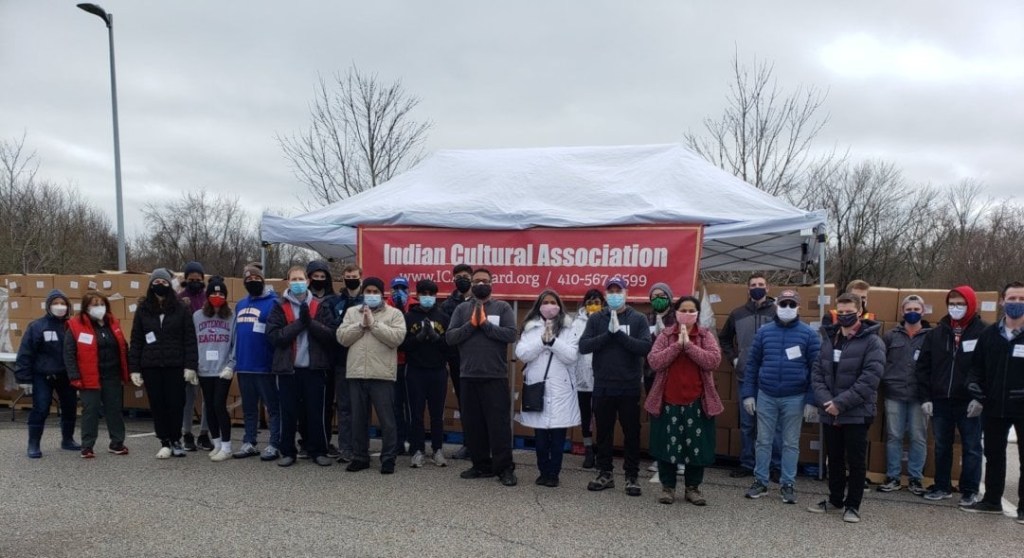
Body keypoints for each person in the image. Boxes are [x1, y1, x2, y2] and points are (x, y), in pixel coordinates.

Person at [808, 293, 884, 523]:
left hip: (856, 412)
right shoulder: (829, 339)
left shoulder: (873, 342)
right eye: (839, 312)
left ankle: (853, 505)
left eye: (848, 311)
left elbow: (870, 378)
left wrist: (841, 403)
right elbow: (817, 373)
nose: (843, 316)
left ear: (860, 311)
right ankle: (835, 499)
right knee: (835, 458)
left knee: (856, 460)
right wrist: (827, 402)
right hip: (830, 410)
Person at [741, 289, 821, 504]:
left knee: (790, 443)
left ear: (798, 308)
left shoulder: (809, 334)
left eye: (791, 304)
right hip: (766, 394)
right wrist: (749, 394)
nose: (787, 308)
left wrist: (812, 400)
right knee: (763, 441)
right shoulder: (764, 332)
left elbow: (817, 370)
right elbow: (752, 364)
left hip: (795, 396)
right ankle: (761, 481)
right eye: (783, 304)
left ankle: (788, 483)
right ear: (776, 306)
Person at [645, 295, 723, 505]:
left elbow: (714, 361)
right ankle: (667, 488)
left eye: (691, 311)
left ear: (697, 314)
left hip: (697, 402)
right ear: (676, 312)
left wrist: (689, 345)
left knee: (696, 447)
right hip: (668, 400)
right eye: (683, 310)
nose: (687, 314)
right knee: (666, 446)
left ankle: (693, 488)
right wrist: (676, 346)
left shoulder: (705, 335)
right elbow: (654, 361)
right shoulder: (666, 334)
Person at [579, 277, 653, 497]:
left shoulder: (637, 318)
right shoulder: (596, 319)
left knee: (631, 432)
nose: (614, 294)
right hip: (602, 384)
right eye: (610, 291)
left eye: (618, 290)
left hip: (629, 386)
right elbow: (584, 346)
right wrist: (607, 335)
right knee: (603, 432)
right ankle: (605, 473)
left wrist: (619, 334)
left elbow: (645, 347)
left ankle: (631, 476)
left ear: (625, 293)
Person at [446, 267, 519, 486]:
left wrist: (485, 325)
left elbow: (510, 334)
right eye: (476, 281)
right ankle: (480, 465)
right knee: (473, 424)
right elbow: (450, 337)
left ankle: (504, 468)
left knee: (498, 425)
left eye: (484, 281)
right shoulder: (461, 309)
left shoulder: (502, 307)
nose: (480, 284)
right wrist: (472, 325)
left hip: (495, 376)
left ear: (492, 282)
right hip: (468, 375)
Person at [915, 285, 985, 505]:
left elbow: (988, 369)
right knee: (942, 445)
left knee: (972, 447)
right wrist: (925, 397)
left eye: (961, 304)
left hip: (969, 401)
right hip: (941, 399)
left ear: (971, 304)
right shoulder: (937, 332)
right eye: (952, 304)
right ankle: (942, 485)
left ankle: (970, 489)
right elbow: (923, 367)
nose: (956, 308)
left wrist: (980, 398)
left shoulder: (984, 332)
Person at [962, 281, 1024, 522]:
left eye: (1021, 299)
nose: (1016, 303)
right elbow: (976, 367)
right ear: (1002, 301)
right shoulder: (989, 334)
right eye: (1012, 299)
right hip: (994, 405)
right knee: (994, 455)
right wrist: (974, 387)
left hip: (1022, 407)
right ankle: (992, 501)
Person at [266, 266, 338, 467]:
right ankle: (288, 451)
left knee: (316, 413)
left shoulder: (319, 306)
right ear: (288, 282)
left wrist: (311, 323)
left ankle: (318, 451)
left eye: (300, 278)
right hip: (288, 370)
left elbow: (331, 335)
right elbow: (275, 337)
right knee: (288, 412)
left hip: (314, 369)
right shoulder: (279, 306)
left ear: (307, 281)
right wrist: (300, 324)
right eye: (293, 279)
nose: (297, 282)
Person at [337, 277, 407, 474]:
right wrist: (361, 325)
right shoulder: (352, 312)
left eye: (375, 291)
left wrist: (373, 323)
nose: (371, 294)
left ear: (382, 293)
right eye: (368, 291)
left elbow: (396, 338)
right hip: (357, 373)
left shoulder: (394, 314)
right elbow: (341, 337)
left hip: (382, 375)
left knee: (387, 420)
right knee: (358, 419)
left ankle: (388, 458)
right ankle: (360, 456)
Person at [128, 268, 199, 459]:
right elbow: (136, 340)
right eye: (156, 282)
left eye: (164, 282)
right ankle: (164, 441)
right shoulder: (143, 309)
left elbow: (190, 339)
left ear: (170, 285)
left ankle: (176, 440)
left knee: (176, 404)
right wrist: (134, 368)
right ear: (151, 285)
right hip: (151, 365)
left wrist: (191, 365)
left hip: (175, 364)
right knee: (158, 405)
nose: (160, 285)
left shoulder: (181, 308)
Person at [718, 273, 781, 479]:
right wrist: (734, 359)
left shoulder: (778, 312)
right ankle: (747, 463)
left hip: (772, 376)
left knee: (773, 424)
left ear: (768, 288)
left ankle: (775, 465)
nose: (757, 287)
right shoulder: (737, 313)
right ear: (747, 289)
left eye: (761, 284)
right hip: (746, 377)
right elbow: (724, 338)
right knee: (747, 423)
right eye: (753, 285)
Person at [515, 289, 581, 487]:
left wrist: (552, 341)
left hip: (561, 389)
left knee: (558, 436)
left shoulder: (570, 327)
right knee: (541, 436)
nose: (550, 305)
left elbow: (571, 356)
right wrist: (541, 341)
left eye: (553, 302)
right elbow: (522, 353)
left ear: (559, 305)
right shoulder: (530, 327)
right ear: (539, 305)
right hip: (538, 387)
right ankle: (543, 471)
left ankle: (554, 473)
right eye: (546, 302)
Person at [64, 291, 130, 458]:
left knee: (114, 409)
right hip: (88, 376)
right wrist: (74, 376)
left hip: (112, 374)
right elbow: (69, 353)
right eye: (94, 304)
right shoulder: (75, 326)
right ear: (86, 307)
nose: (98, 307)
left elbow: (123, 347)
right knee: (90, 410)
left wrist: (128, 369)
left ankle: (117, 442)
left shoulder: (113, 323)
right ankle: (87, 445)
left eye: (101, 304)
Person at [877, 295, 931, 495]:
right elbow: (881, 361)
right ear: (902, 312)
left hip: (920, 396)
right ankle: (893, 476)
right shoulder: (891, 336)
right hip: (894, 393)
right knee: (894, 436)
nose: (912, 312)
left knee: (918, 437)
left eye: (917, 309)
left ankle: (916, 478)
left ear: (923, 312)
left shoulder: (930, 336)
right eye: (909, 309)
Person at [15, 289, 80, 458]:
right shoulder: (37, 326)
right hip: (42, 375)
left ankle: (68, 439)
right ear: (48, 306)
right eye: (55, 303)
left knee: (70, 407)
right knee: (41, 409)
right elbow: (25, 353)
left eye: (63, 303)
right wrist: (24, 378)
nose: (60, 307)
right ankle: (34, 444)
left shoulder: (72, 326)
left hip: (66, 375)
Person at [231, 262, 282, 461]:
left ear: (262, 280)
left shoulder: (273, 302)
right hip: (244, 365)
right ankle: (249, 442)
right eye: (248, 279)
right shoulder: (241, 304)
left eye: (256, 278)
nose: (252, 281)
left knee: (272, 408)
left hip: (265, 365)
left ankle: (274, 443)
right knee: (249, 408)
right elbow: (236, 335)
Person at [402, 279, 451, 468]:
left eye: (431, 294)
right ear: (418, 295)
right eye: (424, 293)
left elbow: (450, 345)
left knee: (437, 414)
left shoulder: (443, 316)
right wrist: (419, 338)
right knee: (416, 413)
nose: (427, 297)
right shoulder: (409, 317)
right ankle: (417, 450)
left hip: (438, 370)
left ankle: (437, 450)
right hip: (415, 371)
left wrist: (437, 339)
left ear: (435, 295)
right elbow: (402, 345)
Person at [192, 277, 236, 462]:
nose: (217, 296)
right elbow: (192, 342)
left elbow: (235, 343)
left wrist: (232, 365)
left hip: (223, 369)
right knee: (209, 407)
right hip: (204, 369)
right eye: (213, 293)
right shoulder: (197, 316)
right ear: (207, 295)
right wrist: (192, 366)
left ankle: (227, 446)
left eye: (221, 293)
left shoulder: (231, 316)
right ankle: (216, 442)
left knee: (219, 405)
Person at [300, 260, 339, 458]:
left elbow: (333, 330)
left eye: (323, 277)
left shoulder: (333, 299)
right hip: (301, 357)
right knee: (303, 404)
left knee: (325, 404)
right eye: (315, 276)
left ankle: (324, 440)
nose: (319, 280)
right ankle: (305, 441)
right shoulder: (299, 298)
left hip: (325, 357)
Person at [329, 263, 364, 463]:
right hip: (342, 360)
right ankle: (345, 448)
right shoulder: (335, 302)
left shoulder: (368, 300)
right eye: (347, 275)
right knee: (344, 407)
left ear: (361, 276)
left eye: (354, 275)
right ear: (343, 278)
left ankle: (361, 447)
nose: (351, 278)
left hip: (362, 360)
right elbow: (333, 327)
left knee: (362, 406)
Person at [178, 261, 212, 452]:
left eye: (198, 279)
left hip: (208, 353)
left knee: (208, 397)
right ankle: (187, 433)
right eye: (191, 280)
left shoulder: (209, 298)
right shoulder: (179, 299)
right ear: (186, 280)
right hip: (188, 355)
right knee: (189, 398)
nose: (195, 282)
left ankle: (204, 433)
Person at [441, 263, 474, 460]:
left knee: (481, 403)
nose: (462, 279)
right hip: (457, 360)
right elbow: (447, 334)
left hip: (479, 360)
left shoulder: (482, 300)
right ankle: (468, 443)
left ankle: (483, 444)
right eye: (458, 276)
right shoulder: (447, 305)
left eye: (465, 276)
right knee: (465, 403)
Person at [572, 289, 604, 469]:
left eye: (597, 301)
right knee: (585, 415)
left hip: (602, 376)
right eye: (590, 301)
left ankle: (601, 450)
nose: (593, 304)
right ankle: (588, 449)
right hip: (582, 377)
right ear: (584, 304)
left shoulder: (608, 320)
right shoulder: (577, 323)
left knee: (601, 415)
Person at [389, 276, 412, 455]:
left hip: (410, 363)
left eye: (402, 288)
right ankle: (397, 441)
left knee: (410, 404)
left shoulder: (414, 306)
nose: (399, 292)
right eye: (396, 288)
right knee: (395, 405)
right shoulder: (384, 307)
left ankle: (412, 441)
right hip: (391, 362)